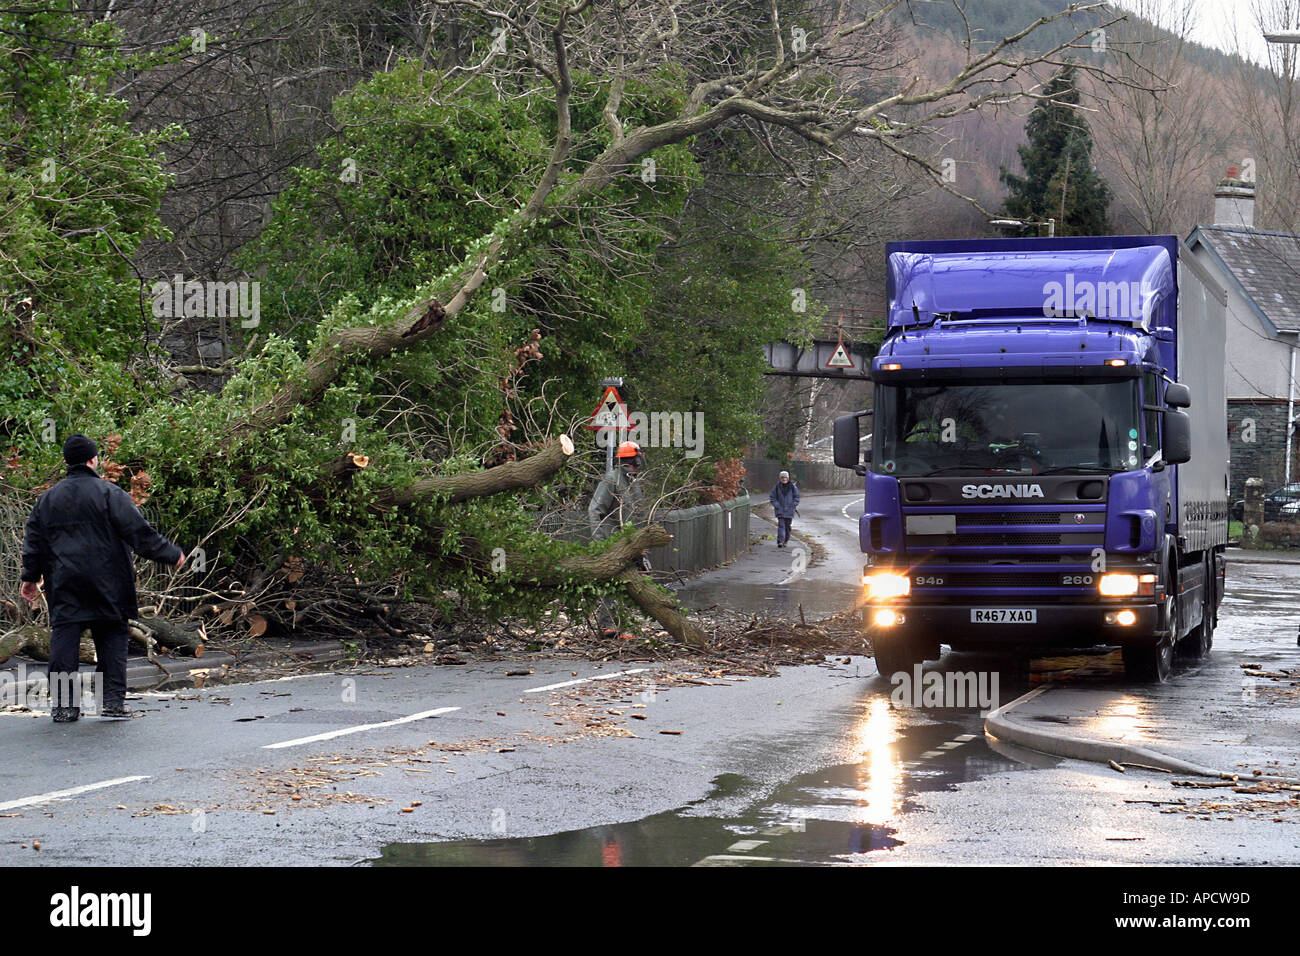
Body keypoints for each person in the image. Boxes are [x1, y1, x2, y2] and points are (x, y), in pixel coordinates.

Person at [20, 434, 185, 722]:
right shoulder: (111, 494)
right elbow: (139, 533)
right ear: (93, 460)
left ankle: (64, 706)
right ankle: (111, 701)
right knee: (111, 636)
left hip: (65, 581)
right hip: (109, 581)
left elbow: (34, 542)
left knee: (65, 639)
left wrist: (30, 578)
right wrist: (171, 555)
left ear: (67, 462)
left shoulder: (48, 499)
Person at [587, 439, 646, 639]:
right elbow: (595, 510)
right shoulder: (612, 480)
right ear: (634, 459)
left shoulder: (632, 483)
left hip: (628, 542)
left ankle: (622, 624)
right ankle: (608, 626)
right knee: (610, 584)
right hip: (611, 541)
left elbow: (636, 516)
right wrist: (602, 540)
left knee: (628, 584)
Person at [769, 470, 800, 548]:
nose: (784, 479)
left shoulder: (793, 487)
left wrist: (793, 505)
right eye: (782, 478)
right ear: (780, 478)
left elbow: (796, 497)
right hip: (780, 510)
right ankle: (780, 541)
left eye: (785, 477)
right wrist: (777, 505)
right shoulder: (777, 487)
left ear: (788, 478)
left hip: (790, 510)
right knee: (781, 526)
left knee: (788, 526)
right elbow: (772, 498)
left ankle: (786, 540)